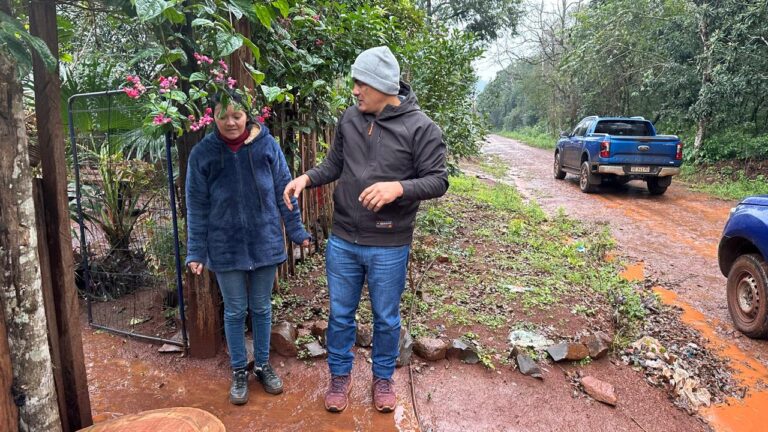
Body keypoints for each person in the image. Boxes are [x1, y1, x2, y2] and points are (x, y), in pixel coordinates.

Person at [283, 46, 448, 413]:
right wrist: (306, 178)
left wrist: (398, 187)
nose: (355, 90)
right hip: (343, 239)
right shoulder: (350, 119)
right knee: (340, 315)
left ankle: (383, 379)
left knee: (386, 318)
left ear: (381, 85)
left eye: (361, 83)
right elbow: (335, 164)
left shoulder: (421, 128)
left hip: (389, 243)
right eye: (354, 83)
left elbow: (438, 181)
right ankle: (339, 377)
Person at [185, 93, 311, 405]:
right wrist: (196, 251)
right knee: (235, 310)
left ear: (248, 117)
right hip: (224, 247)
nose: (231, 122)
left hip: (264, 241)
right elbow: (196, 205)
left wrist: (296, 231)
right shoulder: (203, 154)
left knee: (262, 307)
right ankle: (239, 369)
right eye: (223, 116)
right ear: (212, 117)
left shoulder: (267, 145)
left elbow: (286, 190)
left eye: (237, 116)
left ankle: (264, 366)